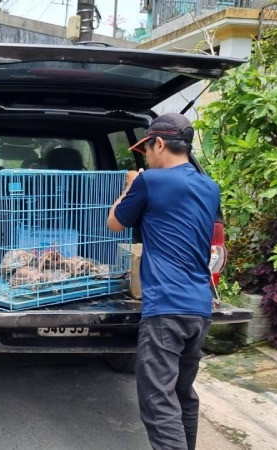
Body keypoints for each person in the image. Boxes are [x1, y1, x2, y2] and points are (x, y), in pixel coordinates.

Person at [106, 113, 219, 450]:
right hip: (199, 310)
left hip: (165, 310)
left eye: (146, 149)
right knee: (182, 395)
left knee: (158, 402)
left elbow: (114, 223)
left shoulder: (150, 182)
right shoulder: (210, 186)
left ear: (158, 143)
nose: (146, 158)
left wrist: (129, 186)